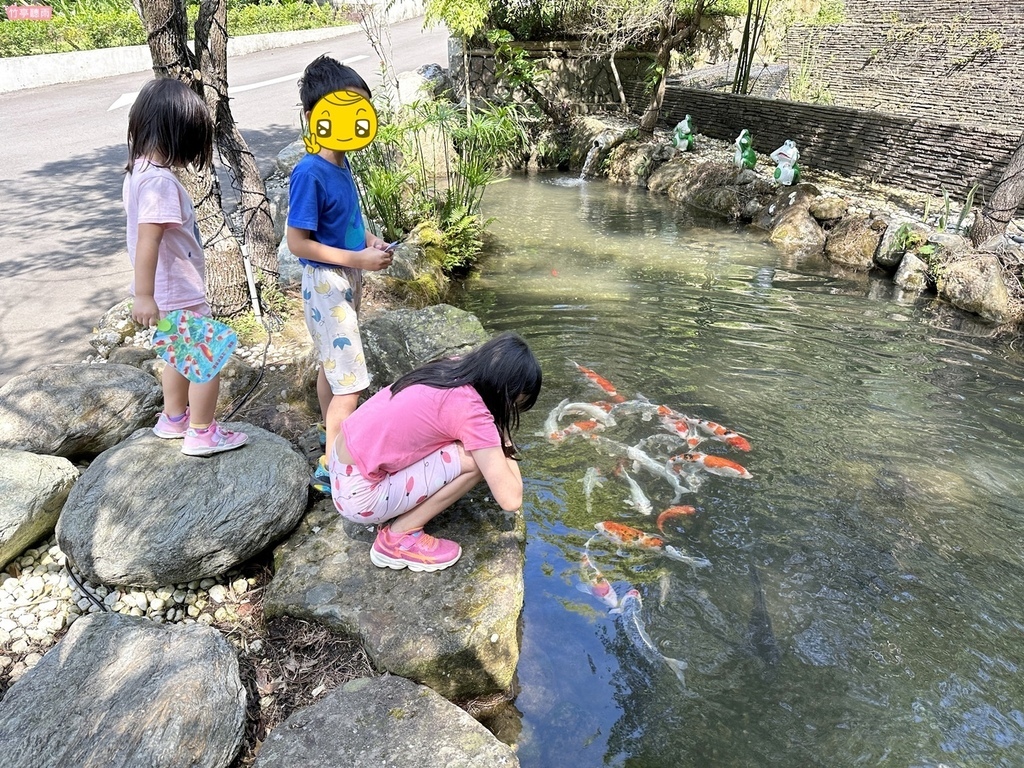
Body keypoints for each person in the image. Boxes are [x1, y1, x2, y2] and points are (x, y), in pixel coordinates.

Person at [330, 332, 542, 572]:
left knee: (471, 448)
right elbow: (511, 499)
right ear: (505, 392)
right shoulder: (472, 411)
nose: (512, 408)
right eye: (514, 402)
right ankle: (398, 539)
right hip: (359, 495)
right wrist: (502, 436)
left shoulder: (452, 368)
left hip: (342, 464)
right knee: (475, 460)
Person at [286, 55, 394, 493]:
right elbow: (298, 243)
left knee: (334, 369)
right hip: (328, 283)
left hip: (343, 280)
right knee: (351, 382)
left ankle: (330, 439)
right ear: (317, 118)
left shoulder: (340, 162)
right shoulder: (310, 171)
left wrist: (368, 242)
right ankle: (334, 467)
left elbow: (345, 220)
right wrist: (357, 262)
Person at [124, 77, 247, 457]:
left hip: (164, 294)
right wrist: (143, 295)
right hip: (176, 291)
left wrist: (148, 295)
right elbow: (149, 240)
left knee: (176, 355)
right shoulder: (160, 183)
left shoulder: (138, 173)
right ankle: (202, 431)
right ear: (178, 133)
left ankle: (175, 417)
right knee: (206, 360)